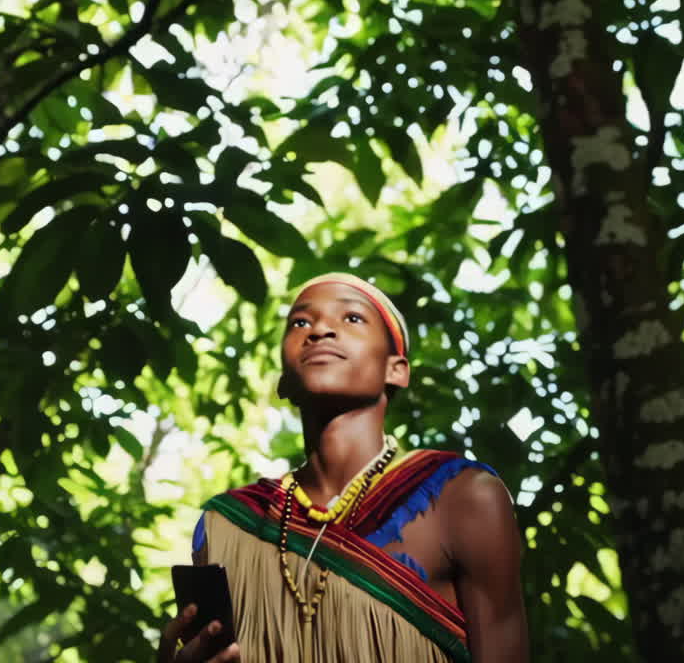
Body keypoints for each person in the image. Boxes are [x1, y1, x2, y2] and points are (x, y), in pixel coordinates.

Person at [158, 273, 528, 663]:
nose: (319, 330)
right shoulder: (228, 525)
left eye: (351, 318)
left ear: (396, 370)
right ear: (284, 380)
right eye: (300, 322)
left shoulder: (461, 497)